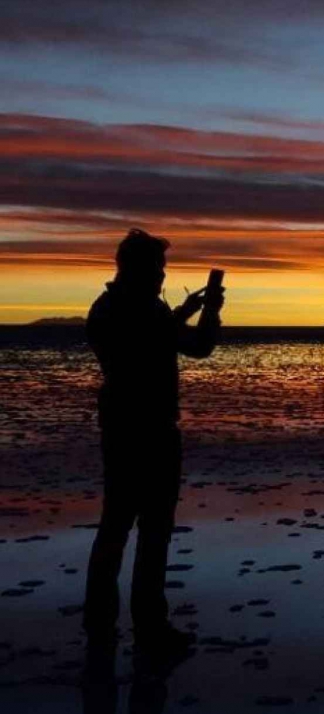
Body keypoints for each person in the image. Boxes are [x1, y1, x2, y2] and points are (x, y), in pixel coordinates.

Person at [83, 229, 224, 674]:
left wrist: (189, 313)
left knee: (125, 529)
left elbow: (174, 341)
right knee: (143, 531)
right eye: (158, 269)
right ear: (138, 269)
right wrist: (201, 314)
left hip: (134, 430)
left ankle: (108, 627)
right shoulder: (131, 311)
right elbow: (180, 345)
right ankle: (143, 628)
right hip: (143, 432)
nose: (163, 276)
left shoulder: (117, 308)